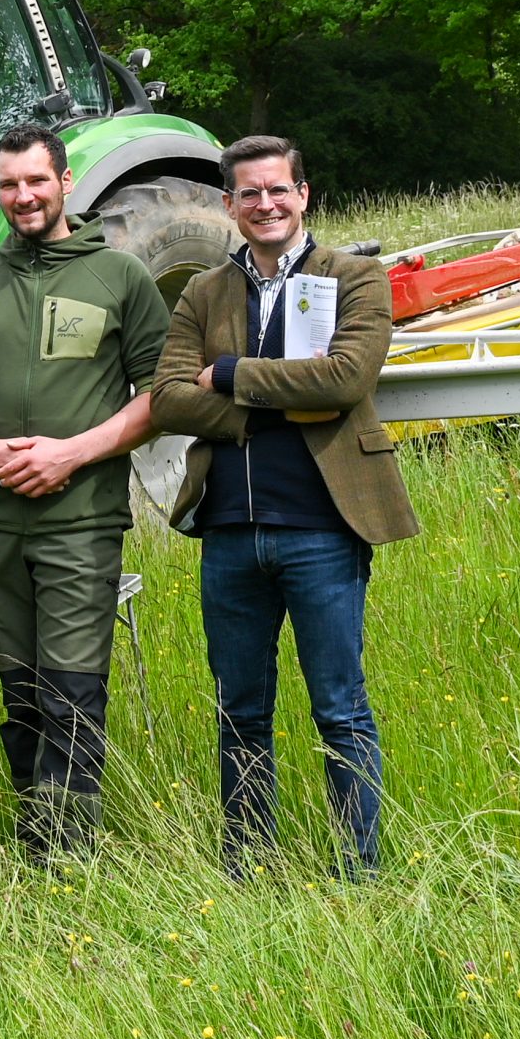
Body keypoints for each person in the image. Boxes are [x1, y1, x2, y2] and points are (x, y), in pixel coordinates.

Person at [150, 134, 417, 880]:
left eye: (278, 190)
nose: (265, 205)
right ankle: (247, 867)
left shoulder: (356, 278)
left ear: (304, 195)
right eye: (249, 194)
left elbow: (343, 380)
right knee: (240, 712)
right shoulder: (204, 292)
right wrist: (258, 406)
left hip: (324, 529)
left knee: (340, 709)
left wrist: (230, 374)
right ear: (230, 206)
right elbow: (168, 398)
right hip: (229, 533)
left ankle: (358, 873)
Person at [0, 127, 169, 863]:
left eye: (35, 181)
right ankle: (38, 833)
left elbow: (160, 391)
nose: (22, 197)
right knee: (21, 690)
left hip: (79, 518)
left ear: (65, 182)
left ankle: (68, 855)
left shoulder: (119, 277)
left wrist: (74, 452)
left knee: (70, 686)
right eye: (8, 185)